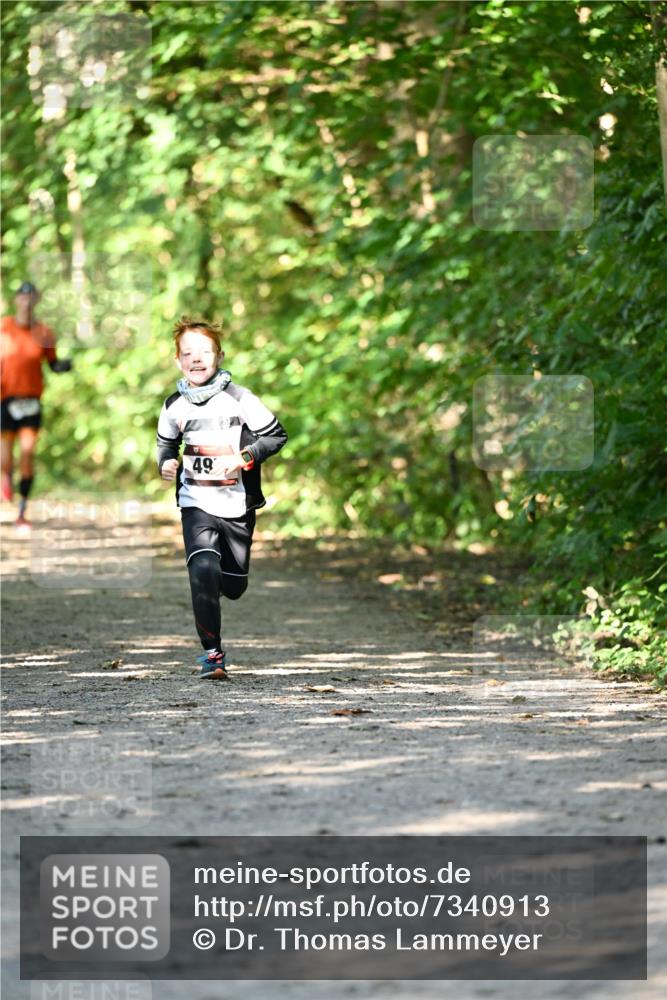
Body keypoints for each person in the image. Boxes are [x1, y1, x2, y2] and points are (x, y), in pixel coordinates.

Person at [157, 316, 288, 680]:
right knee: (202, 569)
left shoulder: (241, 399)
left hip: (237, 505)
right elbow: (166, 446)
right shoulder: (173, 406)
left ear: (219, 355)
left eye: (204, 351)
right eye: (187, 353)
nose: (196, 359)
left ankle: (225, 582)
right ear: (177, 361)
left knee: (232, 585)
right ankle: (212, 655)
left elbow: (276, 437)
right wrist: (167, 465)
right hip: (195, 502)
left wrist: (244, 458)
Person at [0, 281, 72, 533]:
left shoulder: (44, 332)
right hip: (6, 399)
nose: (26, 302)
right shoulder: (4, 327)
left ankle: (22, 512)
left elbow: (52, 362)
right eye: (22, 296)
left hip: (31, 400)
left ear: (36, 301)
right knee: (5, 457)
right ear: (16, 300)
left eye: (31, 298)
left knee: (27, 455)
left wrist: (63, 366)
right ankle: (5, 479)